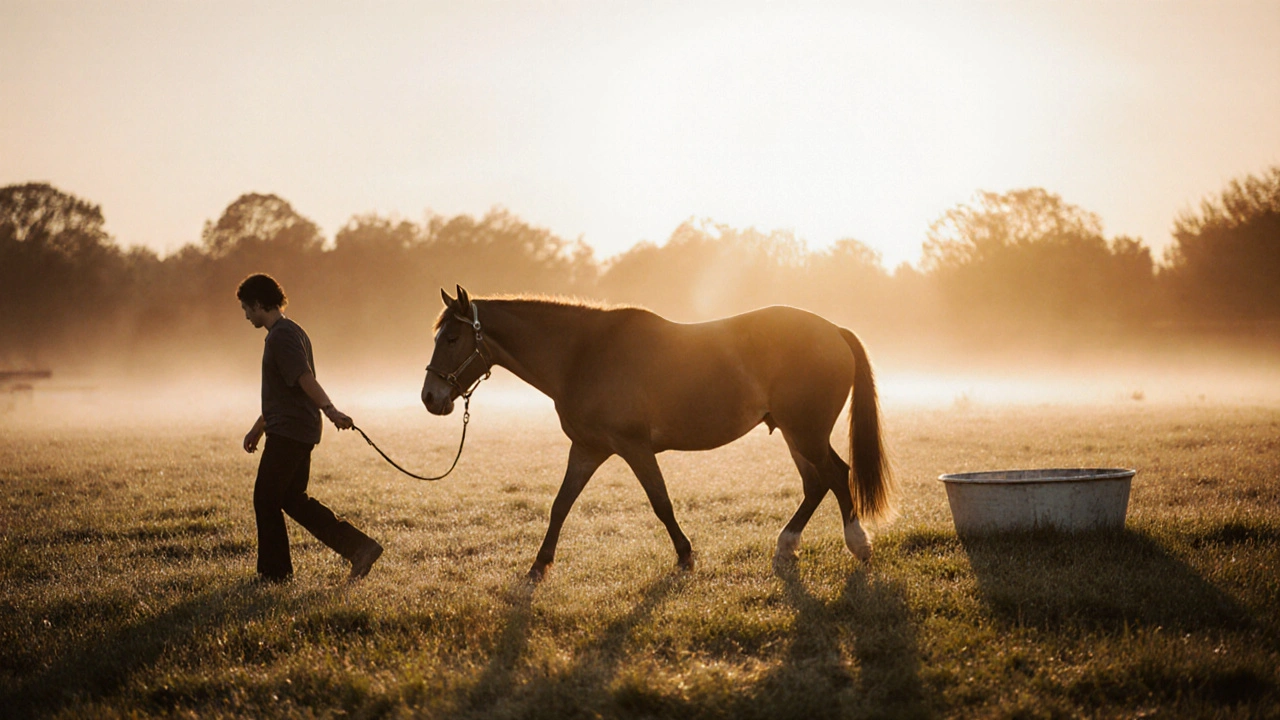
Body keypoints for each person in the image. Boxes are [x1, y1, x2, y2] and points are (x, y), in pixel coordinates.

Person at [237, 273, 382, 582]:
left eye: (247, 309)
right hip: (294, 428)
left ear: (260, 304)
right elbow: (285, 391)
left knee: (266, 498)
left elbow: (304, 379)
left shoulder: (282, 336)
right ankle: (360, 548)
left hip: (290, 432)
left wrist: (330, 410)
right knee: (291, 499)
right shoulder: (291, 331)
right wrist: (259, 427)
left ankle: (274, 574)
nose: (246, 316)